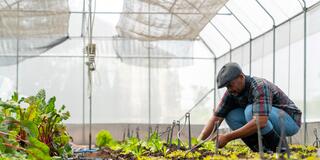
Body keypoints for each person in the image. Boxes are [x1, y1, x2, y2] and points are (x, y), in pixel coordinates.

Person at [197, 62, 302, 152]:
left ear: (241, 77)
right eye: (226, 87)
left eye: (230, 85)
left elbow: (261, 121)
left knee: (250, 111)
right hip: (268, 119)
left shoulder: (260, 86)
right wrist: (198, 143)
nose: (229, 89)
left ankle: (279, 147)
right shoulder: (232, 93)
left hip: (290, 121)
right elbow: (216, 118)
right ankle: (261, 149)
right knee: (231, 115)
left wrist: (227, 137)